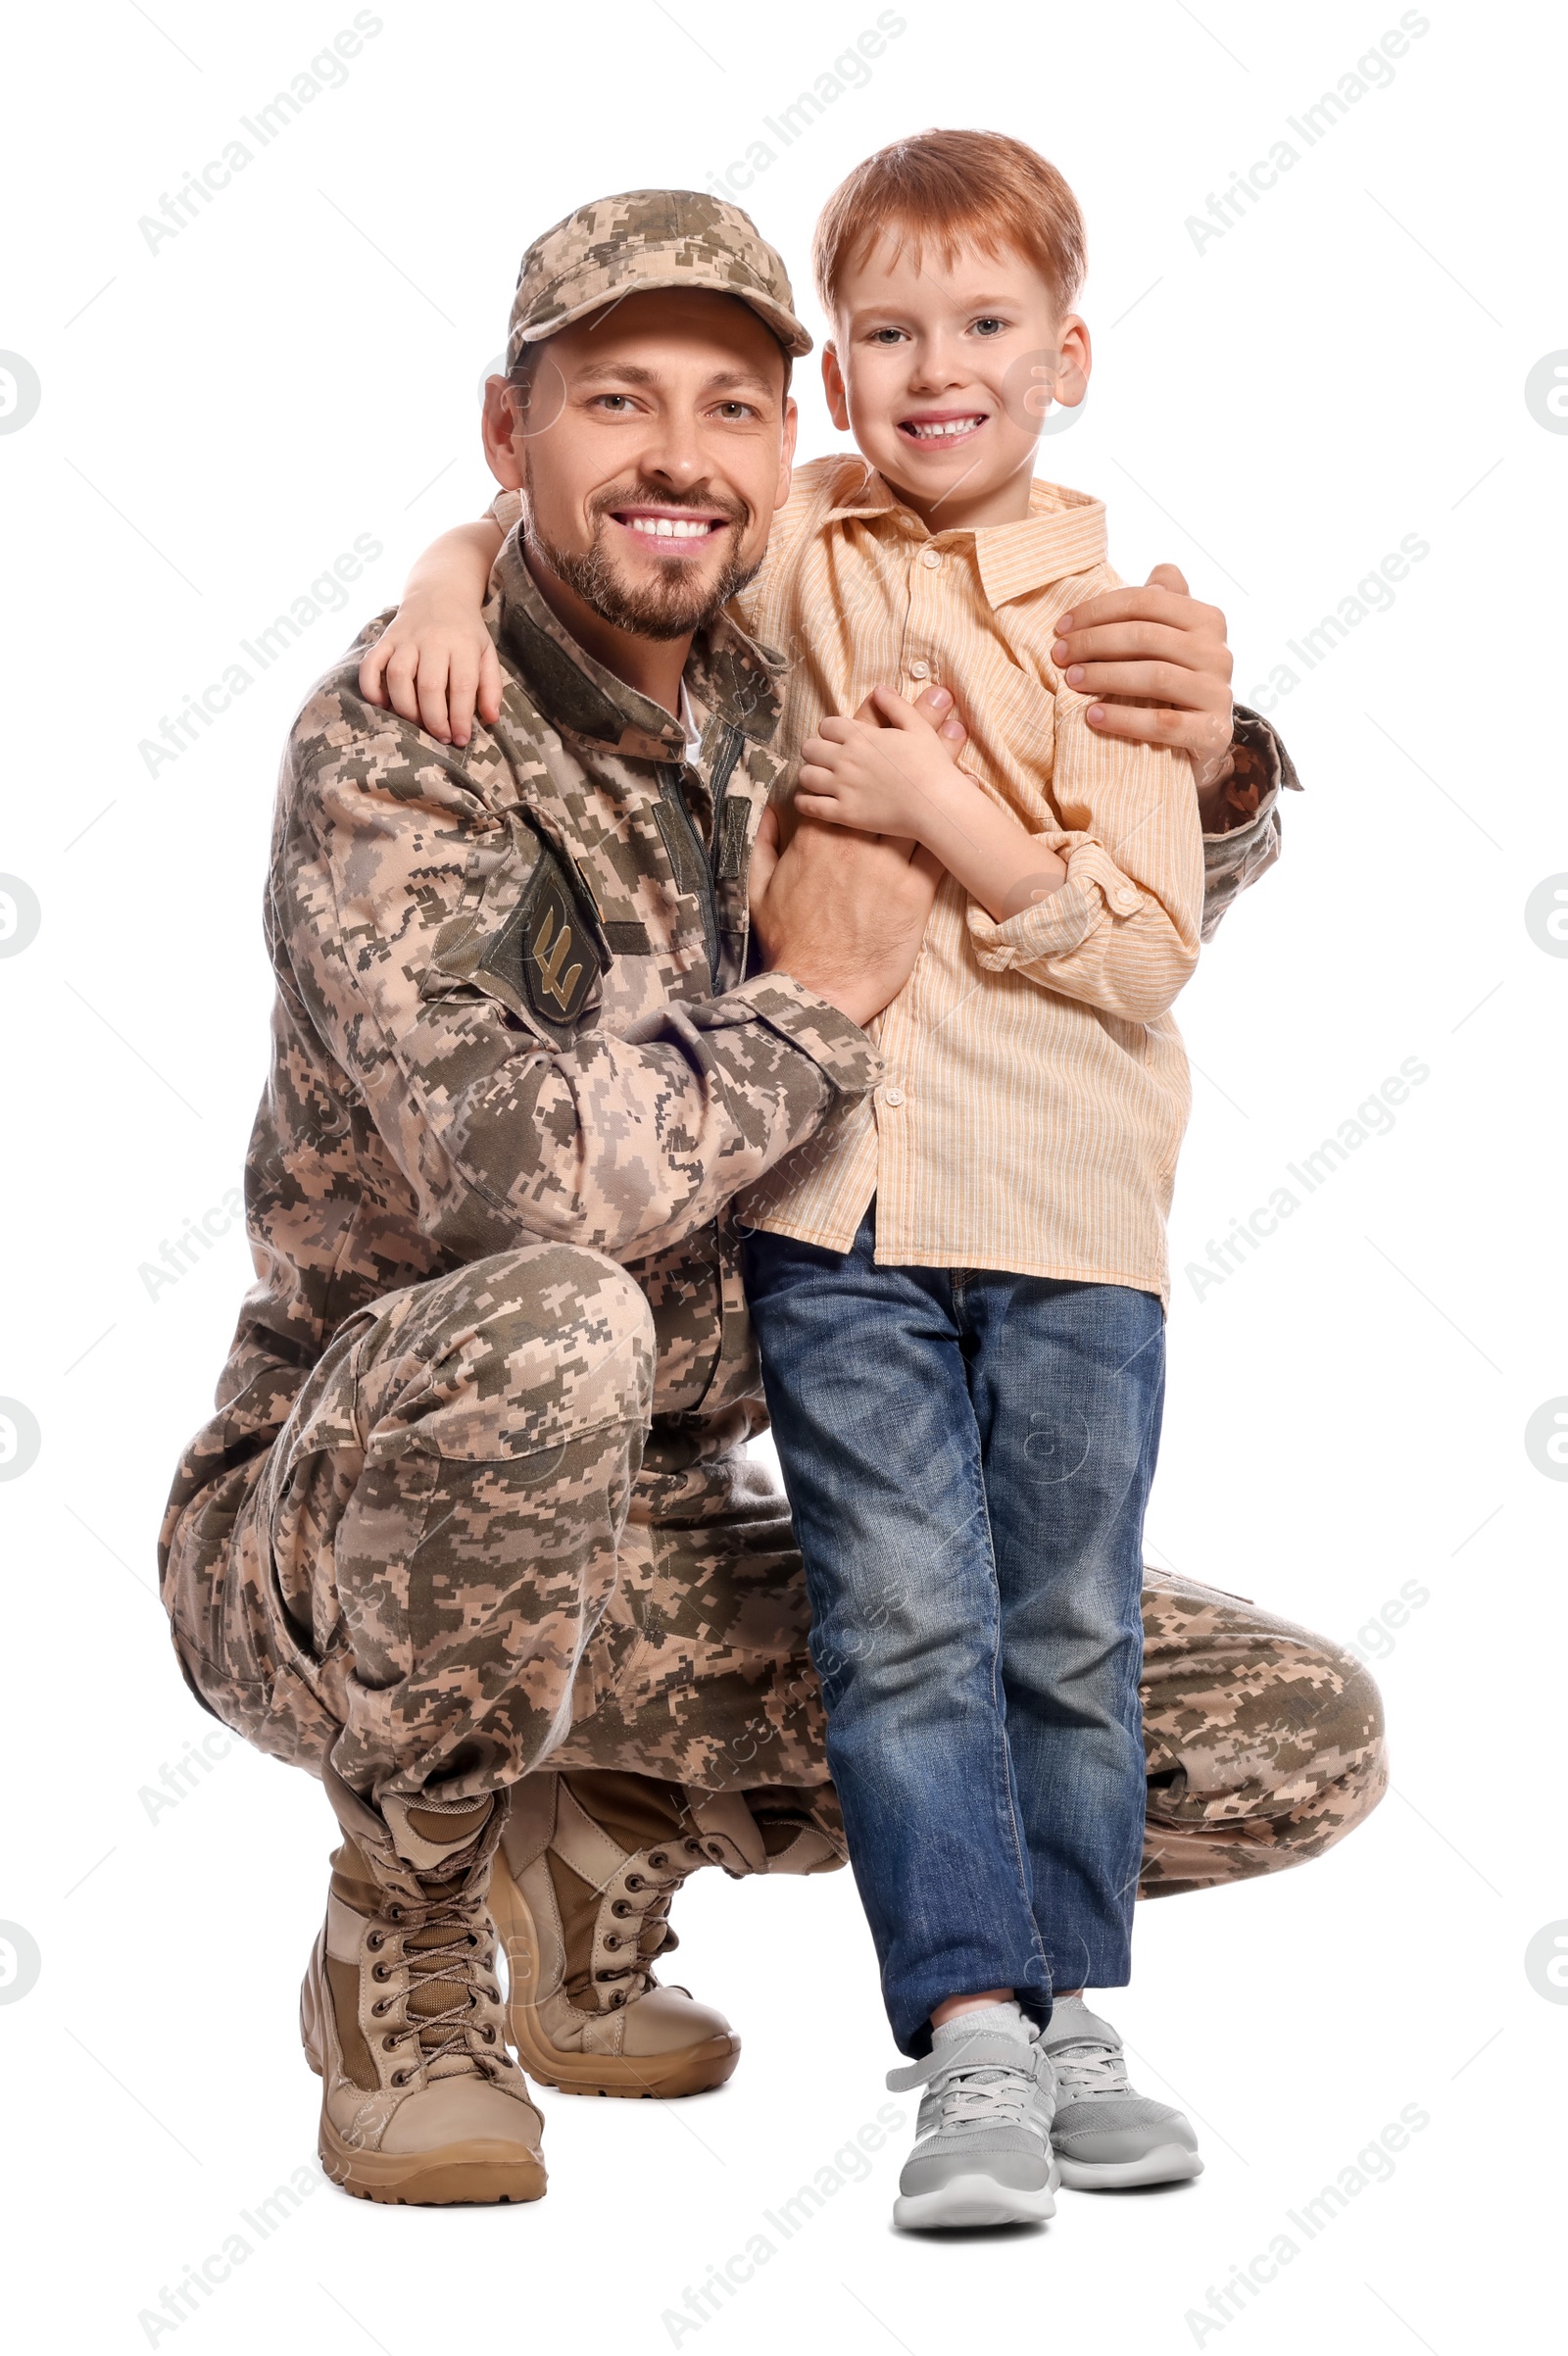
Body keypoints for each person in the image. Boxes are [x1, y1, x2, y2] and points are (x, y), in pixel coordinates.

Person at [161, 187, 1383, 2217]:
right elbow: (507, 1183)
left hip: (686, 1526)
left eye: (729, 405)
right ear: (505, 432)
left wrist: (1210, 762)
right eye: (609, 398)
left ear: (779, 439)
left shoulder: (777, 660)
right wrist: (812, 991)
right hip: (352, 1511)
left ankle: (611, 1807)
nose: (673, 451)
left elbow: (1047, 917)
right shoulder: (410, 733)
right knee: (563, 1313)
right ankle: (410, 1921)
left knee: (1278, 1735)